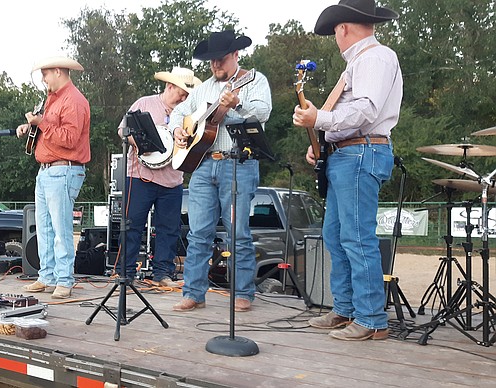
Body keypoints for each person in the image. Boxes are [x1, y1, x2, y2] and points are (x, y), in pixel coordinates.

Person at [293, 0, 402, 341]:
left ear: (343, 28)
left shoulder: (374, 57)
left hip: (361, 152)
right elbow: (352, 114)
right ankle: (346, 309)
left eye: (335, 32)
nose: (335, 37)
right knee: (337, 236)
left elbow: (366, 110)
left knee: (355, 237)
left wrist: (319, 120)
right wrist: (321, 143)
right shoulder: (361, 62)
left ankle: (370, 319)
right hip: (349, 153)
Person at [170, 30, 272, 313]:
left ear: (236, 56)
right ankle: (193, 292)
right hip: (203, 164)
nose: (216, 66)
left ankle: (242, 293)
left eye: (221, 60)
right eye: (212, 61)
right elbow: (179, 112)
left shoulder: (253, 80)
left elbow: (262, 113)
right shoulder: (203, 89)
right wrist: (178, 129)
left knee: (237, 231)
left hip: (238, 163)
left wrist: (236, 104)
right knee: (198, 232)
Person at [116, 67, 201, 287]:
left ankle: (163, 274)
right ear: (169, 86)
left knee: (169, 229)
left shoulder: (190, 113)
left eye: (187, 94)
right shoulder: (144, 103)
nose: (184, 97)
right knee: (132, 225)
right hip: (140, 177)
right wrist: (139, 144)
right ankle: (125, 274)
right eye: (181, 92)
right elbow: (122, 130)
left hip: (172, 180)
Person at [17, 56, 90, 299]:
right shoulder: (52, 99)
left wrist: (42, 123)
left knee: (61, 229)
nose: (42, 79)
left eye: (46, 74)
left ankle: (65, 279)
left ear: (58, 71)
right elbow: (48, 129)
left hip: (64, 169)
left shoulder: (74, 100)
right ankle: (46, 276)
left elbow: (69, 138)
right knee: (45, 228)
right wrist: (31, 127)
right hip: (48, 169)